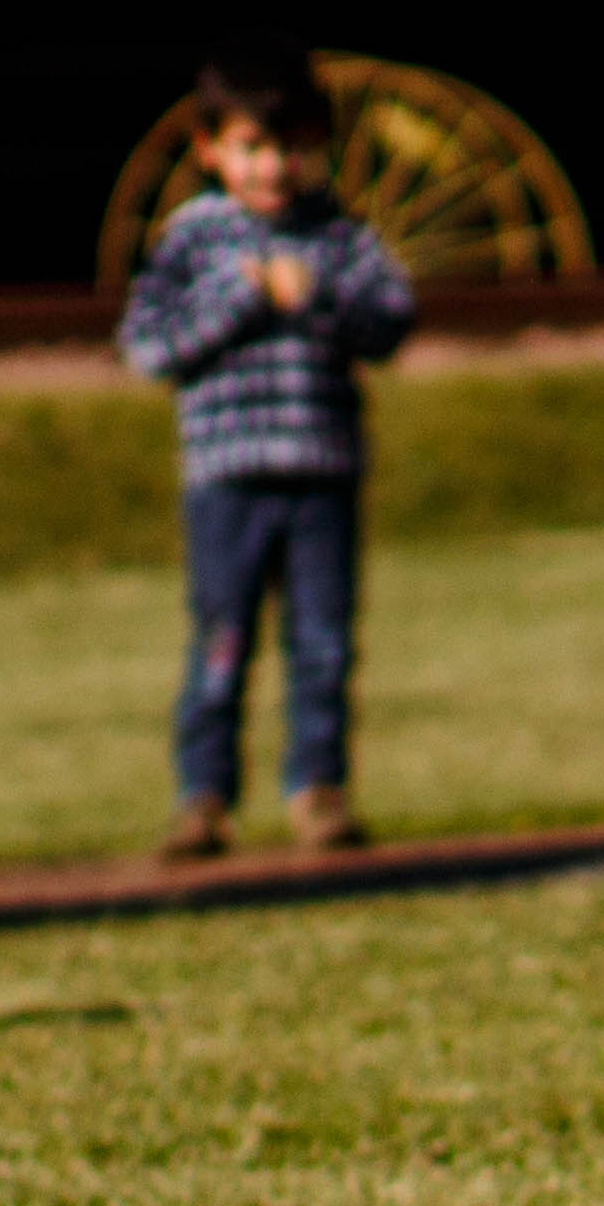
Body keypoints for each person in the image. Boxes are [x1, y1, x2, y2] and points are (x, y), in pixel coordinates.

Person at [119, 55, 418, 859]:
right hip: (227, 478)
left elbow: (393, 322)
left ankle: (319, 792)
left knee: (323, 644)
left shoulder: (338, 235)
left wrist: (315, 294)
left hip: (323, 474)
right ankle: (204, 799)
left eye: (292, 147)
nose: (274, 166)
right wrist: (242, 298)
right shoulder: (192, 240)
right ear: (210, 148)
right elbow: (149, 346)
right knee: (221, 641)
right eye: (253, 146)